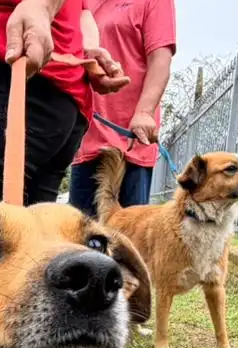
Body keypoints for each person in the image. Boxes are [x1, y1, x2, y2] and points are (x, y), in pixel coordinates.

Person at [0, 0, 130, 219]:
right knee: (34, 247)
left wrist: (41, 5)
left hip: (11, 71)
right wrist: (89, 51)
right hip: (67, 96)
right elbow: (84, 13)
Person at [68, 0, 176, 217]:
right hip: (87, 141)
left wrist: (144, 112)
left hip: (130, 142)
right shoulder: (83, 3)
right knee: (78, 240)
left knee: (125, 241)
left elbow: (160, 60)